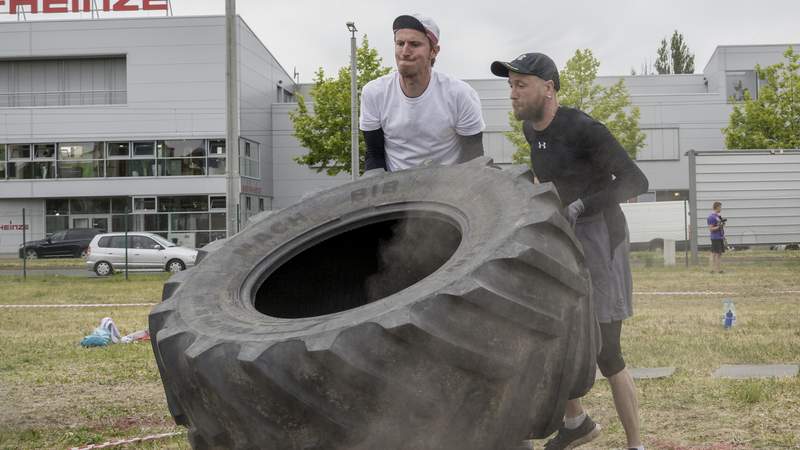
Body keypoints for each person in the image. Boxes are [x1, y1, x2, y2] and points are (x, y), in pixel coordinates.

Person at [491, 53, 648, 450]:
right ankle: (576, 421)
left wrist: (582, 205)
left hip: (600, 238)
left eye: (520, 84)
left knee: (608, 352)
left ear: (549, 87)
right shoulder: (530, 130)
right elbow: (549, 179)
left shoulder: (583, 128)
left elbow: (635, 180)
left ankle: (636, 445)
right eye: (510, 85)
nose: (512, 93)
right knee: (555, 332)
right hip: (565, 237)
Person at [359, 14, 485, 172]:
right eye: (400, 43)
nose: (405, 51)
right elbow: (374, 155)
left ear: (434, 51)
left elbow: (473, 158)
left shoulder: (460, 94)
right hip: (396, 189)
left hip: (447, 191)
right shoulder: (374, 92)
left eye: (414, 44)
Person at [708, 201, 725, 273]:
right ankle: (712, 269)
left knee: (719, 253)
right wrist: (719, 226)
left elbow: (719, 226)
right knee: (714, 253)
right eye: (720, 207)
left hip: (720, 237)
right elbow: (711, 229)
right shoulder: (711, 217)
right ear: (717, 207)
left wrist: (722, 226)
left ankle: (719, 269)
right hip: (715, 238)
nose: (721, 208)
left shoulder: (718, 216)